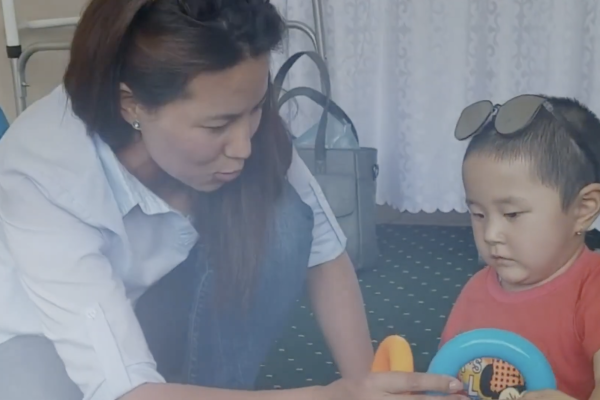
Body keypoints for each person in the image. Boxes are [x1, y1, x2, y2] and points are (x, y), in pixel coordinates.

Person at [0, 1, 467, 399]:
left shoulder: (238, 118)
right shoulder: (43, 175)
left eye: (256, 108)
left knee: (284, 217)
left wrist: (369, 382)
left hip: (148, 301)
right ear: (132, 105)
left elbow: (323, 249)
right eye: (218, 125)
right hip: (39, 337)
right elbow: (127, 390)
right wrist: (330, 396)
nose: (243, 145)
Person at [441, 94, 600, 400]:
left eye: (512, 214)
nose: (491, 234)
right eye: (478, 214)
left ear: (583, 209)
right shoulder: (475, 292)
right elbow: (448, 375)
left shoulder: (592, 289)